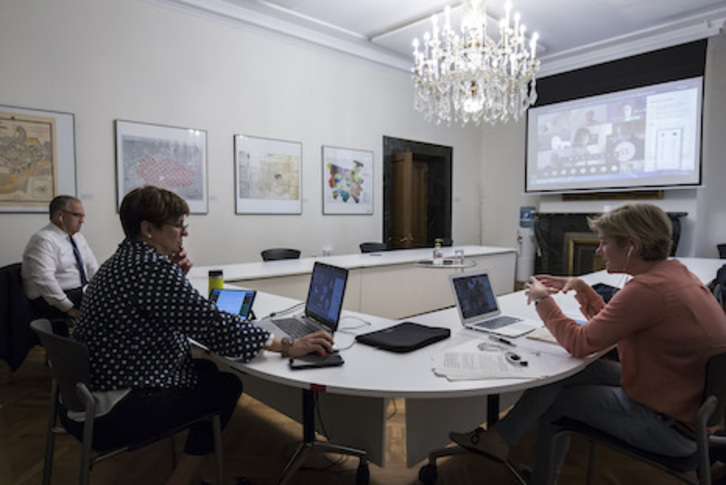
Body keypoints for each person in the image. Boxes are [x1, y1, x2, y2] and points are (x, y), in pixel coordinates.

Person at [67, 185, 334, 485]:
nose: (184, 235)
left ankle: (203, 469)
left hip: (90, 394)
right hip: (115, 409)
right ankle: (185, 478)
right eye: (179, 227)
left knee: (206, 369)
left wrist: (176, 277)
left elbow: (166, 312)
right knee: (225, 386)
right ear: (148, 229)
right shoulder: (150, 267)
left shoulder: (122, 260)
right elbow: (209, 323)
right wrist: (287, 345)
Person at [449, 203, 726, 484]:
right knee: (567, 372)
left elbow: (580, 343)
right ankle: (500, 438)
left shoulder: (647, 291)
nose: (598, 251)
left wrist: (543, 300)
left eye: (604, 243)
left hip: (667, 426)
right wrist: (582, 288)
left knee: (556, 400)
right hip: (679, 400)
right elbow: (613, 324)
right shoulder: (675, 274)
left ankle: (540, 478)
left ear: (633, 246)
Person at [22, 195, 99, 321]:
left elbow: (92, 267)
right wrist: (69, 309)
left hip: (79, 293)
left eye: (82, 216)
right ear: (59, 216)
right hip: (52, 301)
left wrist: (101, 289)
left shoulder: (78, 238)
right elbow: (45, 281)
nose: (82, 221)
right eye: (76, 215)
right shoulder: (44, 240)